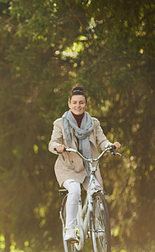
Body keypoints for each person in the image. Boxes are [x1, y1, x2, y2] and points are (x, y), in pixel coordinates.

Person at [48, 85, 121, 242]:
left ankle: (98, 226)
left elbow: (102, 140)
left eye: (81, 102)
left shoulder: (93, 123)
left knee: (97, 190)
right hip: (67, 168)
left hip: (88, 166)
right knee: (74, 190)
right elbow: (52, 143)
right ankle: (70, 230)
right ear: (69, 103)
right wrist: (58, 147)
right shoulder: (60, 123)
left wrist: (110, 146)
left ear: (86, 104)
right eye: (74, 102)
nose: (78, 105)